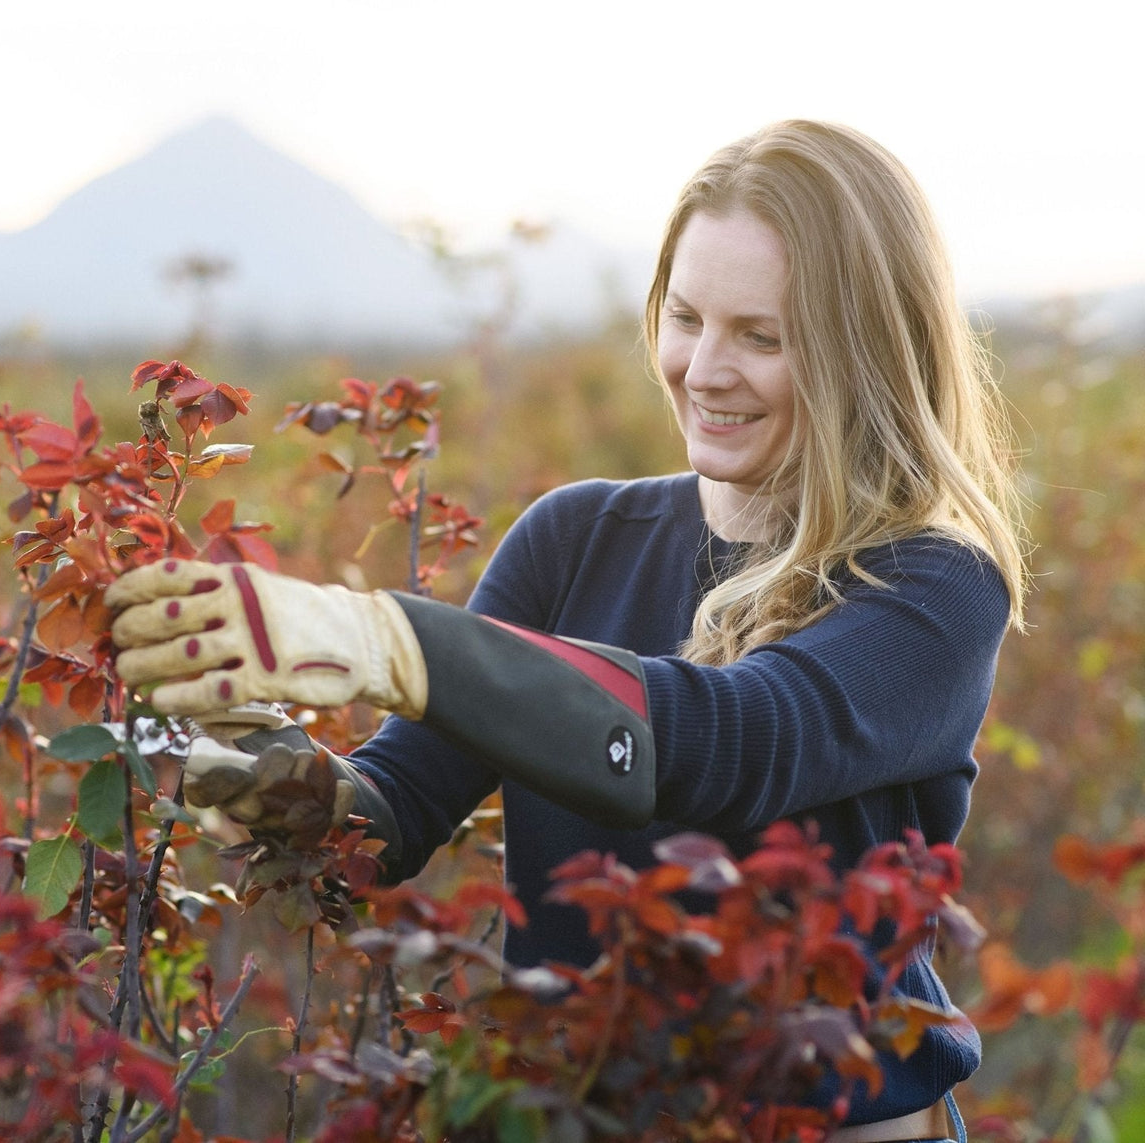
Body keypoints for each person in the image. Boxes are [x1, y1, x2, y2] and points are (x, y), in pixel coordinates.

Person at [105, 120, 1026, 1143]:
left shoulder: (933, 585)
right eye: (685, 318)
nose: (704, 369)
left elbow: (728, 739)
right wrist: (272, 778)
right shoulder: (575, 537)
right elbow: (399, 806)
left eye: (761, 336)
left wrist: (383, 638)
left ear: (866, 350)